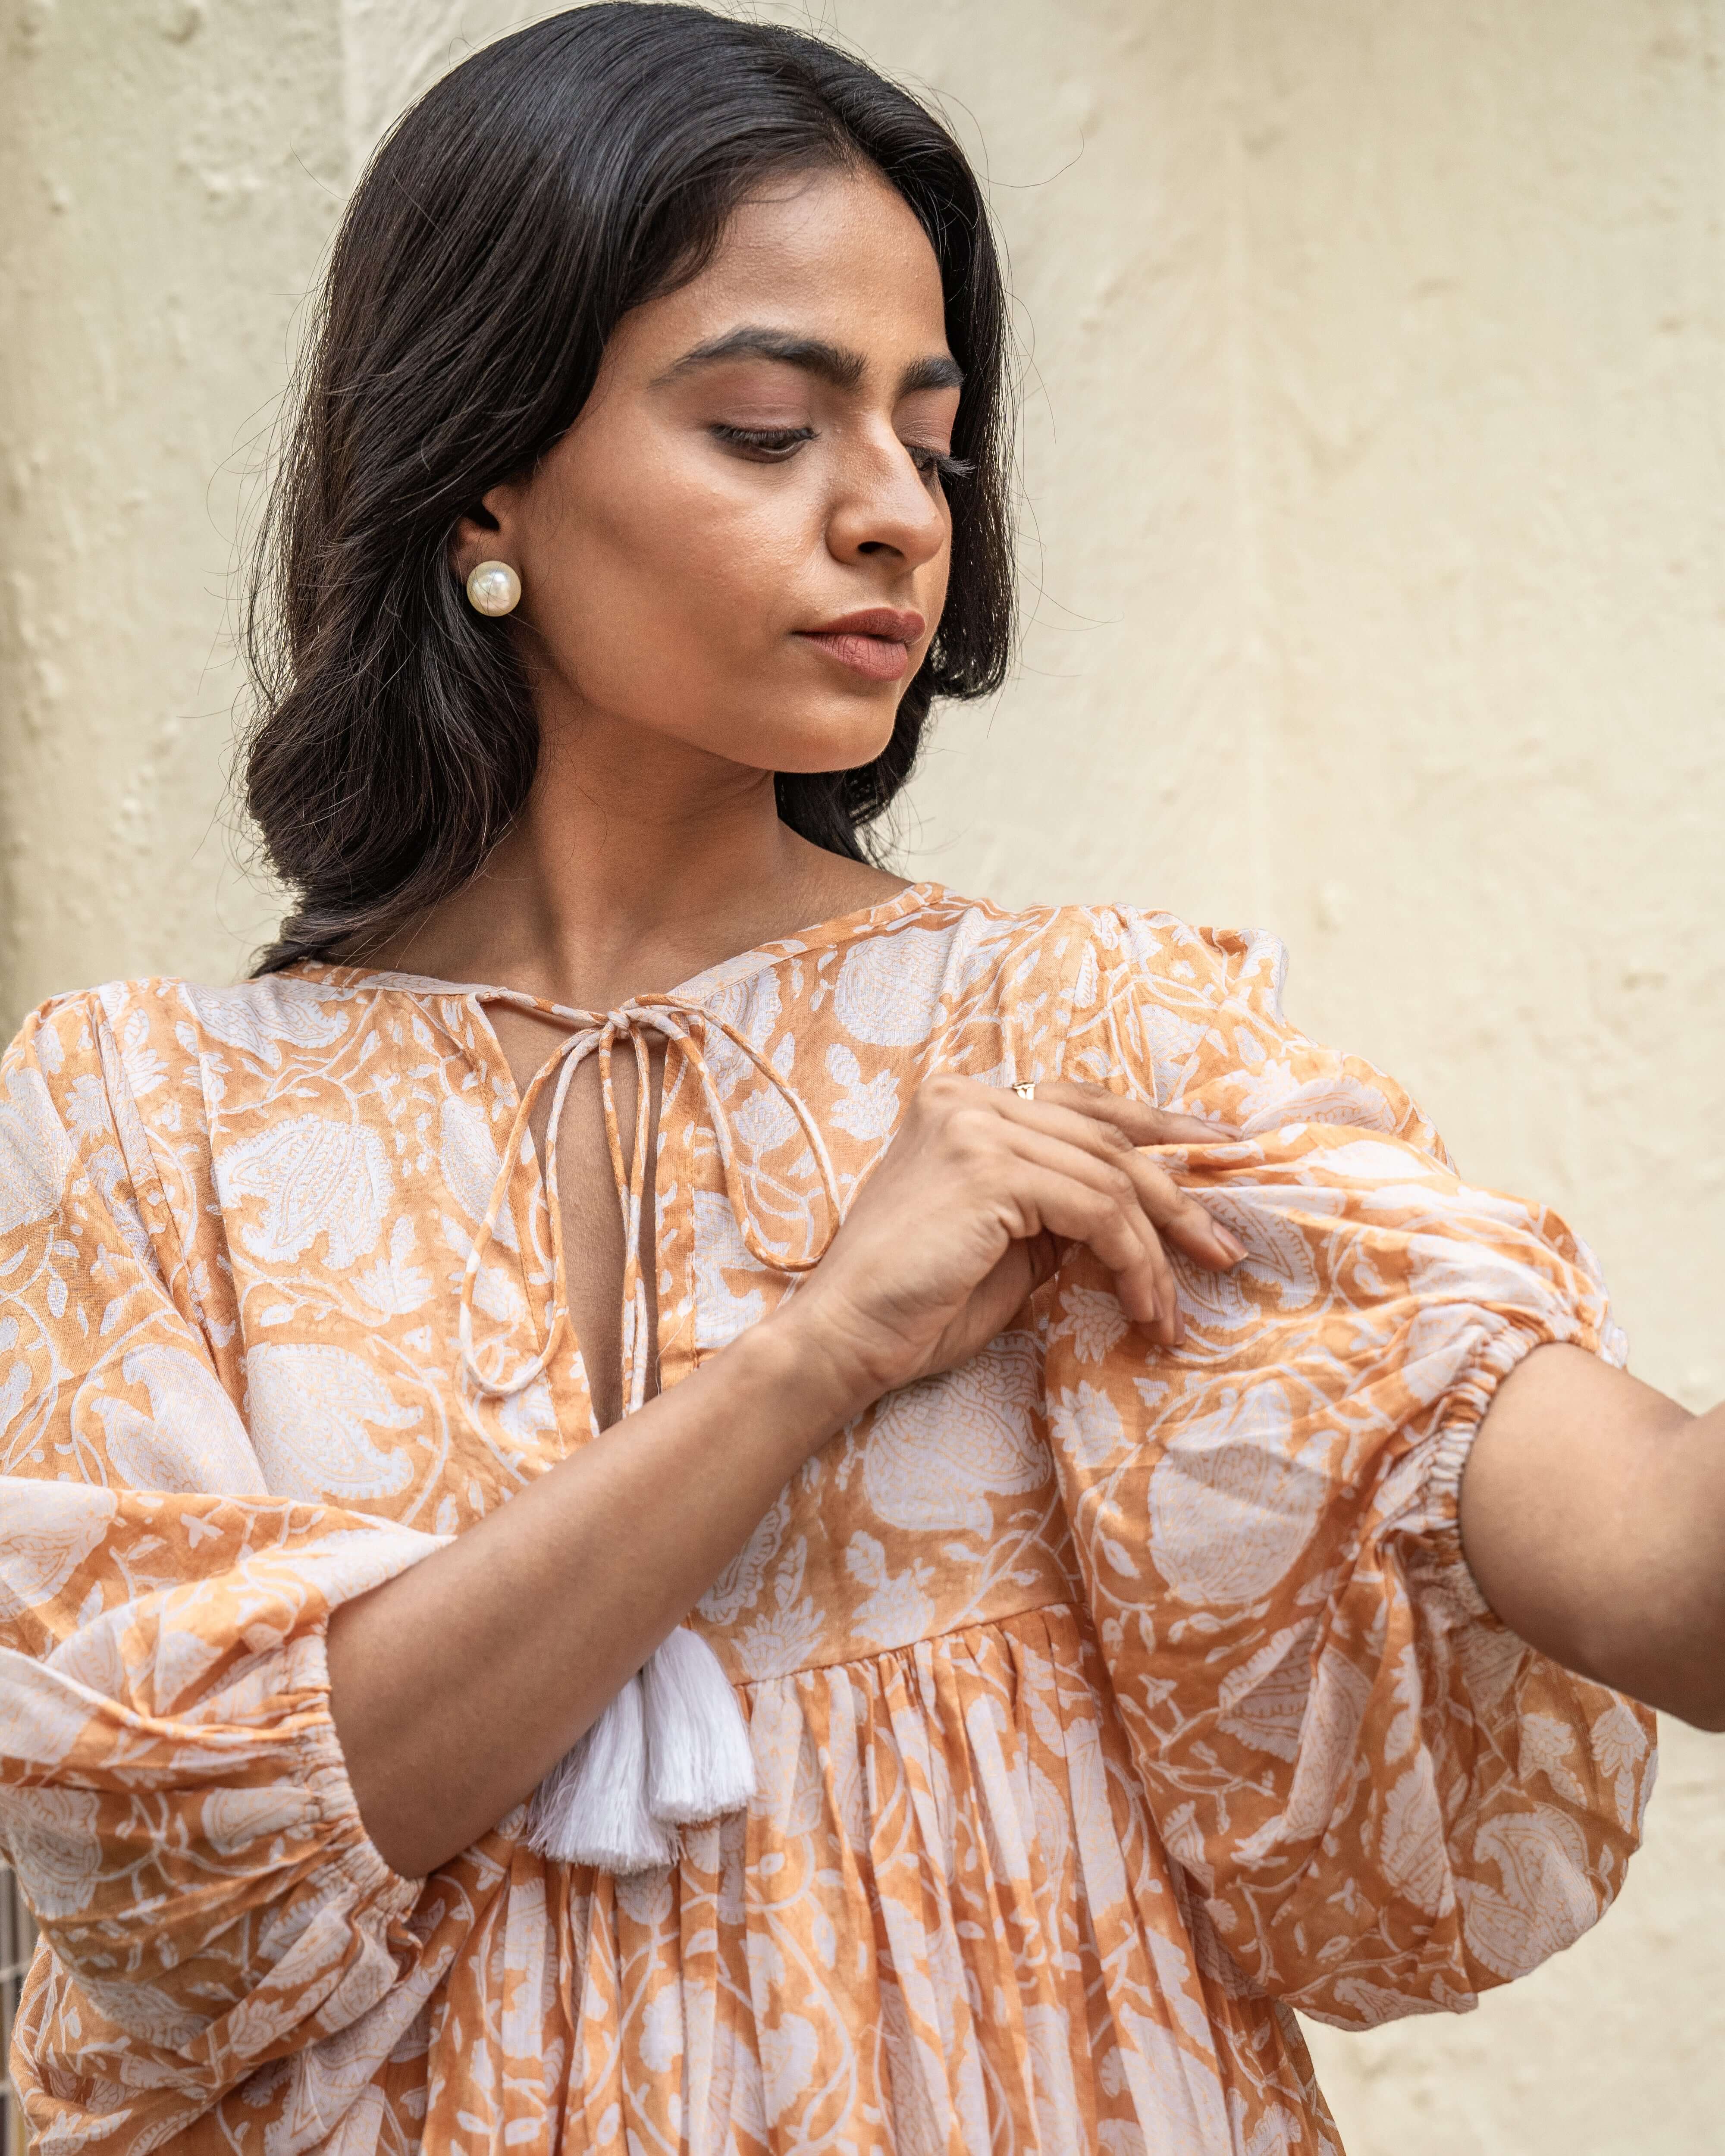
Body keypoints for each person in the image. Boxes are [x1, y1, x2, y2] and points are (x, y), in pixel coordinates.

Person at [0, 6, 1717, 2150]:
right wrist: (813, 1352)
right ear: (481, 482)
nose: (895, 511)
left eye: (932, 435)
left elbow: (1658, 1563)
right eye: (763, 426)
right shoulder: (154, 1119)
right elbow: (183, 1871)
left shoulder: (1092, 1053)